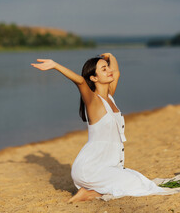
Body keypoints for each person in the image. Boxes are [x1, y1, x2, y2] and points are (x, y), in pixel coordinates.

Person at [31, 53, 166, 202]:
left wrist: (111, 56)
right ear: (94, 78)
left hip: (106, 167)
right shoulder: (93, 101)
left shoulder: (109, 96)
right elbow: (81, 81)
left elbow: (117, 72)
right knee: (137, 184)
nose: (109, 70)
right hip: (90, 169)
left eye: (107, 67)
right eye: (103, 69)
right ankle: (91, 193)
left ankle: (91, 192)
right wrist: (55, 65)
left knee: (138, 178)